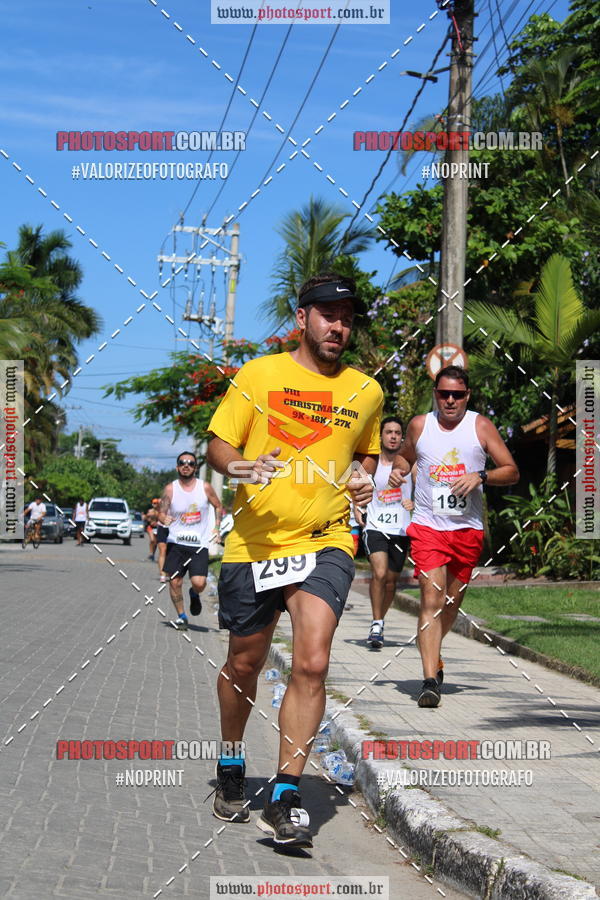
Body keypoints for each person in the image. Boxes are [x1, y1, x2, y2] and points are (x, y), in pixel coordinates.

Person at [206, 272, 383, 850]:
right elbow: (219, 444)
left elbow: (367, 458)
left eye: (347, 317)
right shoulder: (259, 375)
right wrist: (243, 468)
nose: (339, 325)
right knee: (244, 664)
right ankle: (232, 758)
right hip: (254, 544)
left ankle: (286, 795)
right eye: (328, 314)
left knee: (312, 661)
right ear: (302, 317)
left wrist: (363, 481)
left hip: (326, 541)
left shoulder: (367, 391)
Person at [390, 365, 519, 708]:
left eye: (457, 395)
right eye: (443, 394)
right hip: (428, 527)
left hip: (467, 530)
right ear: (435, 394)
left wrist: (481, 476)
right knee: (431, 600)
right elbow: (404, 457)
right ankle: (430, 680)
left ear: (467, 396)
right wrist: (399, 472)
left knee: (449, 605)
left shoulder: (480, 426)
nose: (450, 400)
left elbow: (512, 471)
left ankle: (436, 655)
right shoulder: (420, 425)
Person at [358, 416, 413, 649]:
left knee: (391, 582)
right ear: (380, 436)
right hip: (375, 527)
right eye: (388, 432)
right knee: (379, 574)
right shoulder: (372, 464)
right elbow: (355, 486)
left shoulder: (410, 465)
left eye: (397, 433)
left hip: (400, 529)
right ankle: (376, 623)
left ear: (402, 438)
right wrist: (356, 506)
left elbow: (424, 489)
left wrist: (415, 504)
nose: (392, 436)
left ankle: (381, 620)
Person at [158, 452, 223, 630]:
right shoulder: (170, 489)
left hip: (198, 545)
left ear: (195, 467)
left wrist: (217, 528)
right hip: (176, 543)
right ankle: (181, 616)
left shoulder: (205, 487)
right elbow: (162, 511)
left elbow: (218, 505)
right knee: (174, 581)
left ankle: (194, 594)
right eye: (182, 463)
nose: (186, 465)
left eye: (190, 463)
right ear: (177, 466)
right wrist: (164, 518)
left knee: (199, 583)